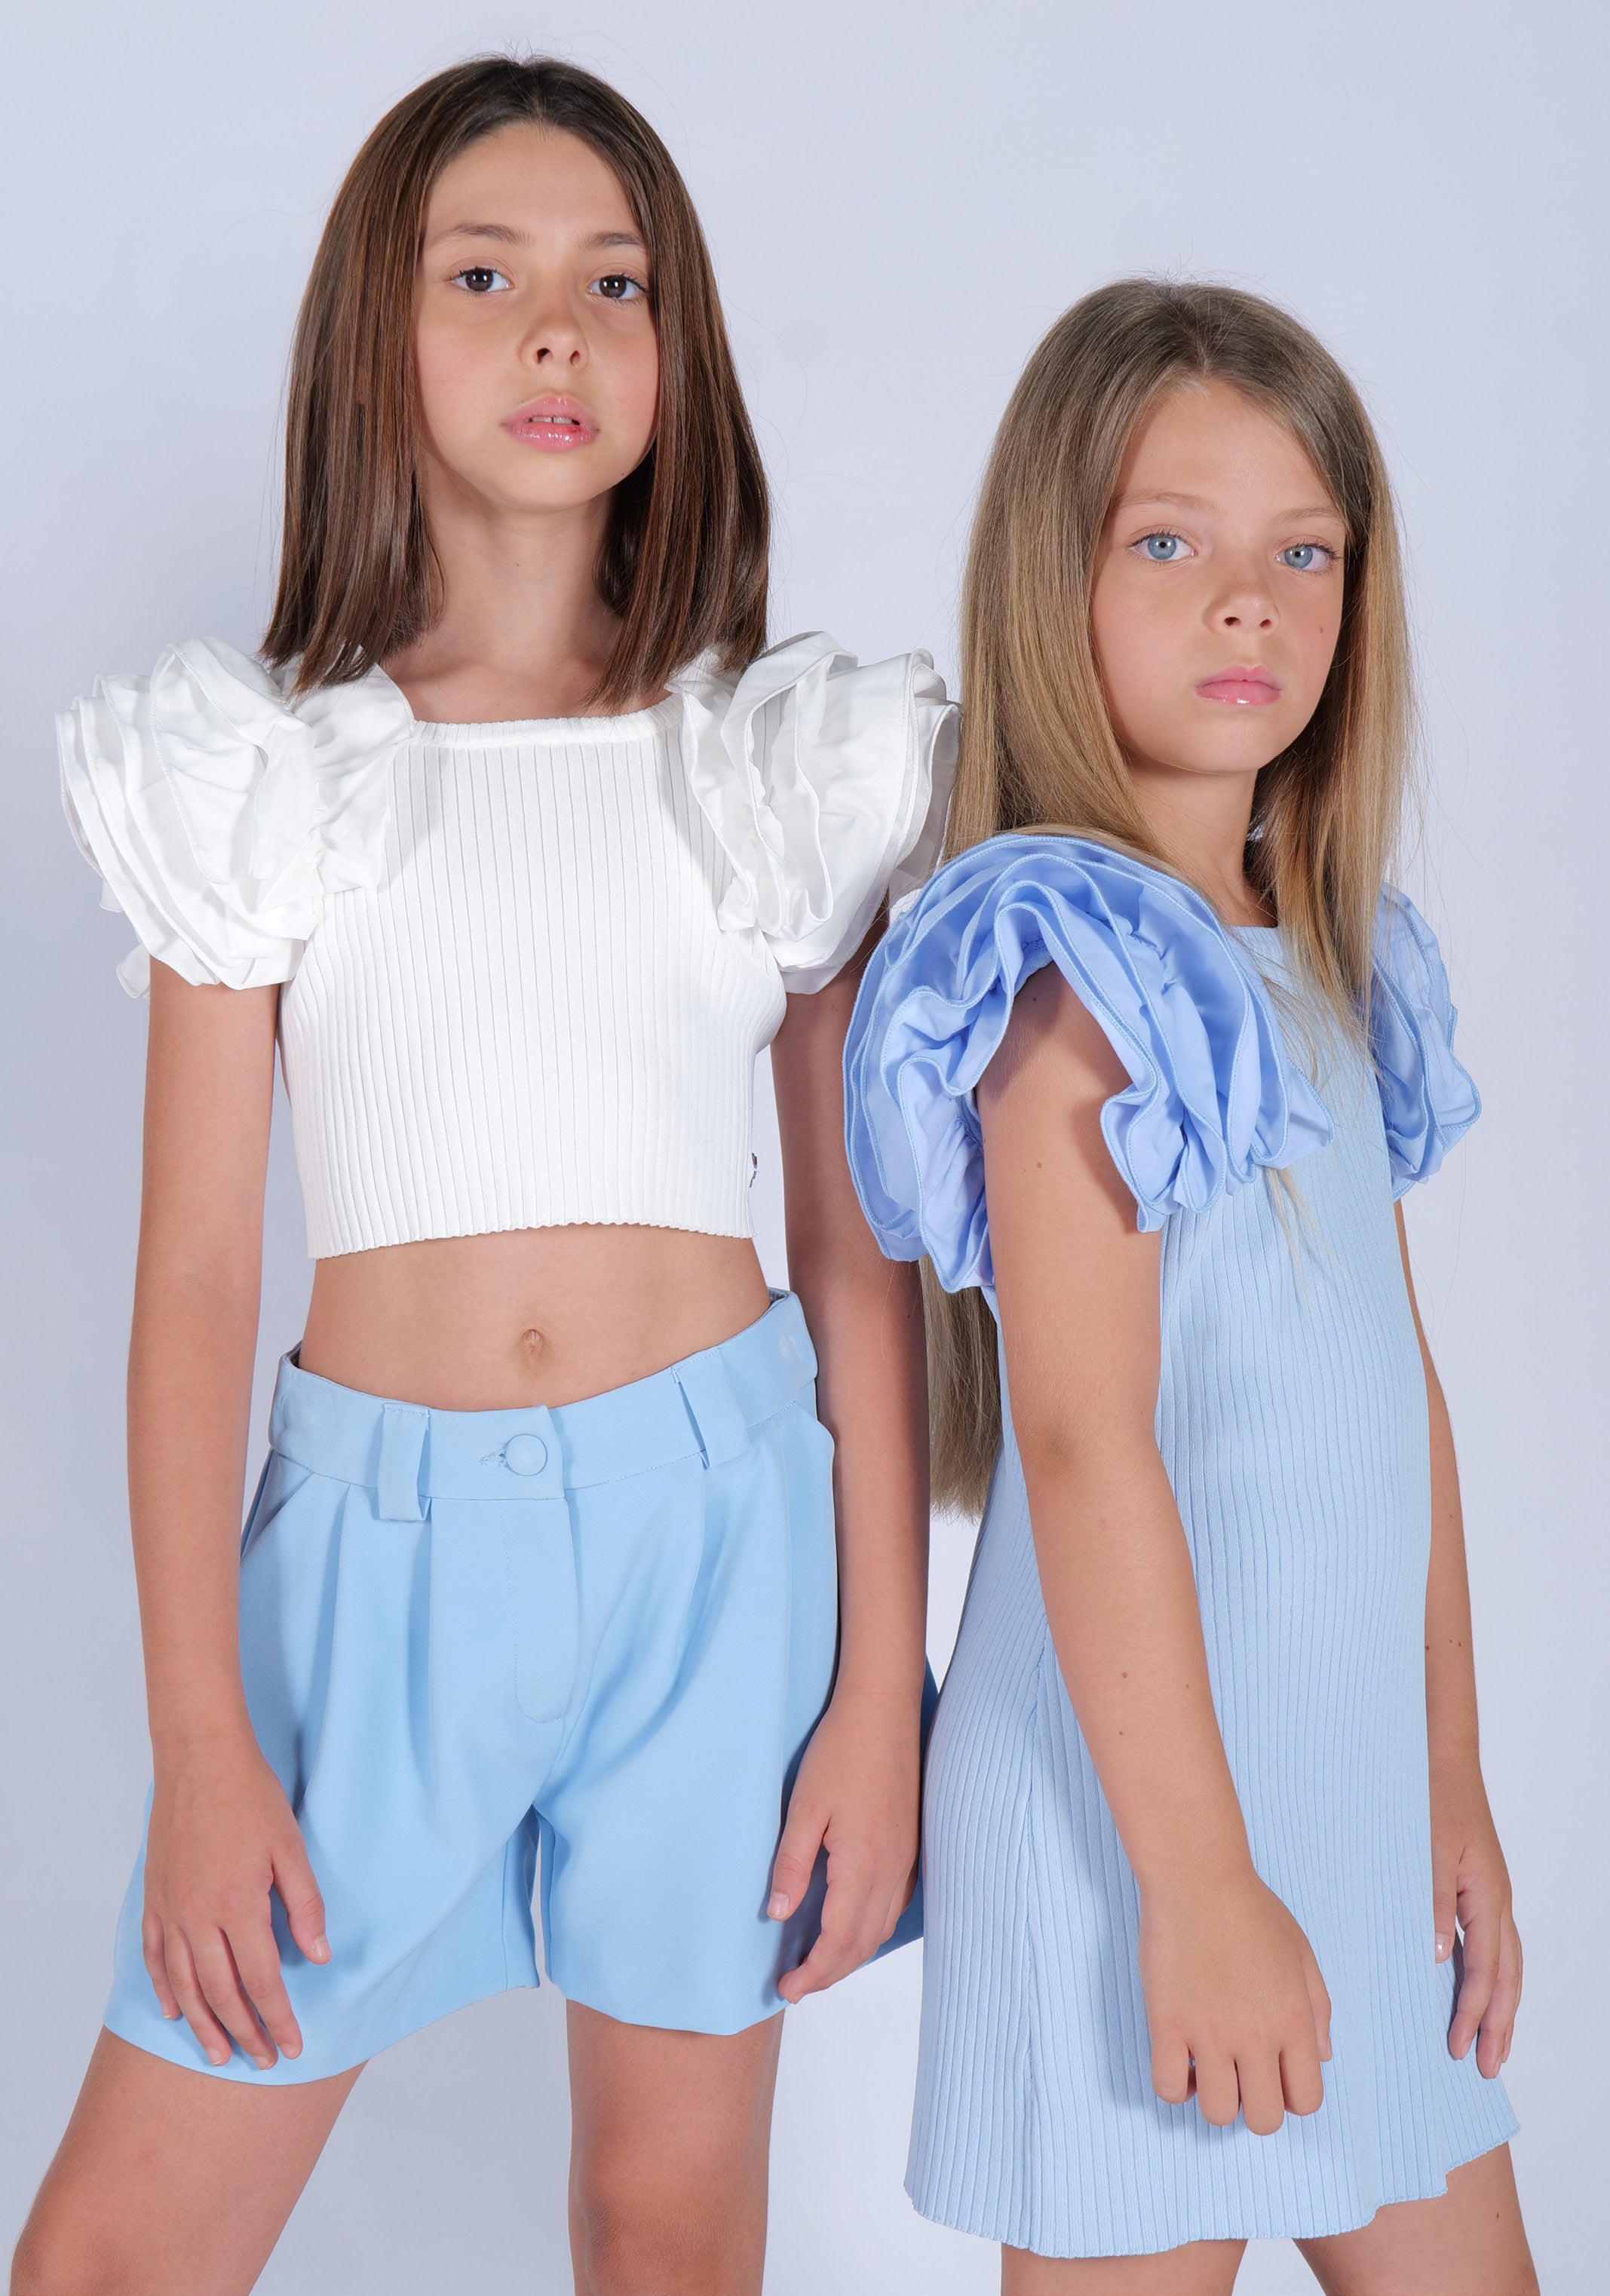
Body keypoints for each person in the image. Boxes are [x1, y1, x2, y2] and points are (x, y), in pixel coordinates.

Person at [16, 55, 948, 2296]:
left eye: (615, 283)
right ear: (381, 332)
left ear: (677, 346)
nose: (557, 329)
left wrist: (877, 1694)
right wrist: (201, 1742)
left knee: (663, 2225)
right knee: (112, 2259)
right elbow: (195, 1283)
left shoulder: (763, 764)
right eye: (484, 275)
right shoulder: (264, 778)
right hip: (375, 1581)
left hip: (720, 1551)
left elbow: (857, 1258)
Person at [843, 280, 1535, 2294]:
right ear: (1050, 579)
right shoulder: (1075, 972)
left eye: (1303, 555)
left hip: (1339, 1777)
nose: (1250, 604)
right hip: (1138, 1814)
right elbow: (1082, 1443)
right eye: (1170, 544)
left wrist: (1451, 1775)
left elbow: (1392, 1403)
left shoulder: (1321, 950)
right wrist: (1202, 1881)